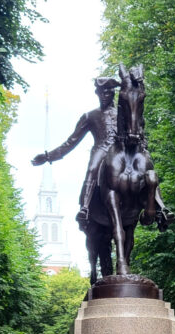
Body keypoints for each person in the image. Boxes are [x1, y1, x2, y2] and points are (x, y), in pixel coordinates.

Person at [32, 77, 120, 230]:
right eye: (102, 92)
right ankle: (85, 208)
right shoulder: (90, 116)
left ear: (113, 93)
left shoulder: (123, 114)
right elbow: (70, 142)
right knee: (92, 170)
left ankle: (159, 207)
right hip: (102, 149)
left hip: (120, 152)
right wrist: (47, 157)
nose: (106, 95)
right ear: (97, 94)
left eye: (109, 92)